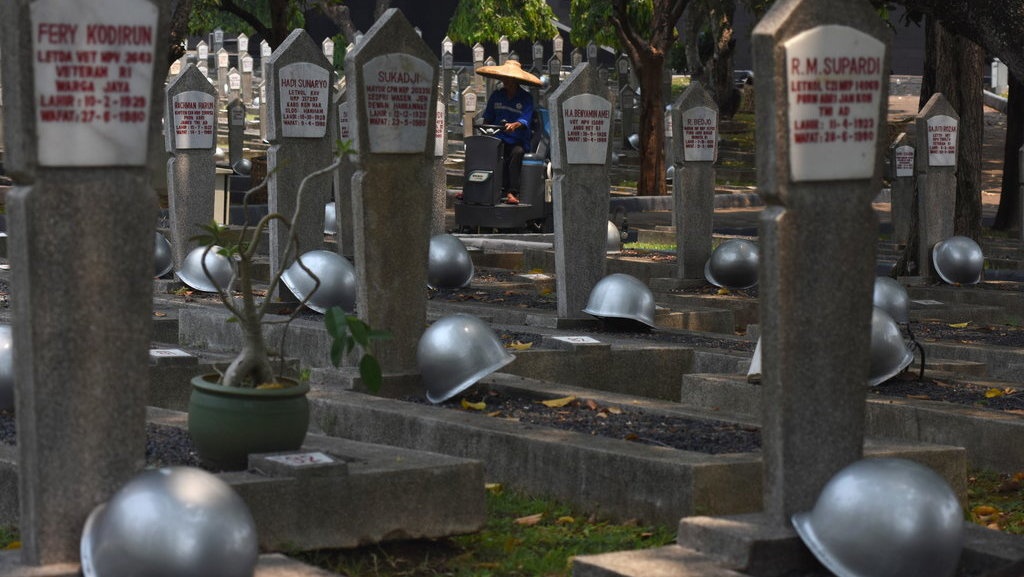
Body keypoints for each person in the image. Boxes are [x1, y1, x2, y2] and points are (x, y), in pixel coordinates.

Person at [476, 60, 541, 205]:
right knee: (483, 151)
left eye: (509, 79)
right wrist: (484, 130)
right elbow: (488, 117)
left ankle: (512, 191)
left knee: (516, 153)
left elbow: (525, 119)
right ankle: (480, 188)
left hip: (517, 140)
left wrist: (515, 125)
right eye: (504, 78)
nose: (505, 81)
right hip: (498, 138)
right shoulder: (496, 96)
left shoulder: (526, 98)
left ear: (516, 80)